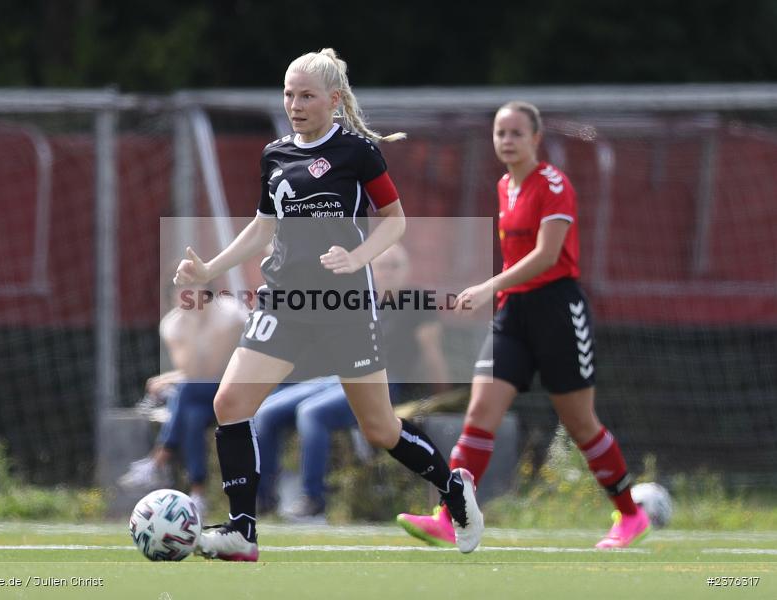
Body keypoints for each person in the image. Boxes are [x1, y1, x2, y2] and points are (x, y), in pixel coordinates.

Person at [173, 48, 482, 562]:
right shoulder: (275, 154)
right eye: (289, 94)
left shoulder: (358, 152)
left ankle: (456, 494)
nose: (295, 104)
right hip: (284, 302)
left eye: (307, 95)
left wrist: (355, 256)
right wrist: (208, 269)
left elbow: (396, 219)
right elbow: (263, 228)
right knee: (229, 404)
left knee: (380, 428)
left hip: (345, 306)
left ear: (333, 100)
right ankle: (242, 531)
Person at [396, 101, 651, 550]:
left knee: (580, 423)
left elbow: (547, 256)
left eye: (516, 133)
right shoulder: (503, 185)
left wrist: (488, 285)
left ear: (536, 138)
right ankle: (449, 516)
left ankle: (630, 514)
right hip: (514, 315)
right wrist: (499, 293)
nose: (507, 141)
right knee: (478, 414)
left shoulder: (553, 184)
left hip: (557, 311)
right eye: (500, 133)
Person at [254, 243, 451, 522]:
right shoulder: (359, 299)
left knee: (311, 413)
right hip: (339, 377)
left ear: (407, 270)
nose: (389, 272)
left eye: (396, 266)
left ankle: (313, 501)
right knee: (266, 411)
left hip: (384, 383)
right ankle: (262, 502)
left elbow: (432, 352)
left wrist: (440, 395)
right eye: (383, 265)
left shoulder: (417, 302)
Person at [118, 286, 247, 518]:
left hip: (237, 388)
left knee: (183, 391)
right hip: (201, 396)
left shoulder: (230, 314)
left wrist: (169, 378)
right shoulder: (173, 324)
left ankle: (159, 458)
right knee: (192, 416)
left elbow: (212, 369)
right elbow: (191, 370)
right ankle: (198, 494)